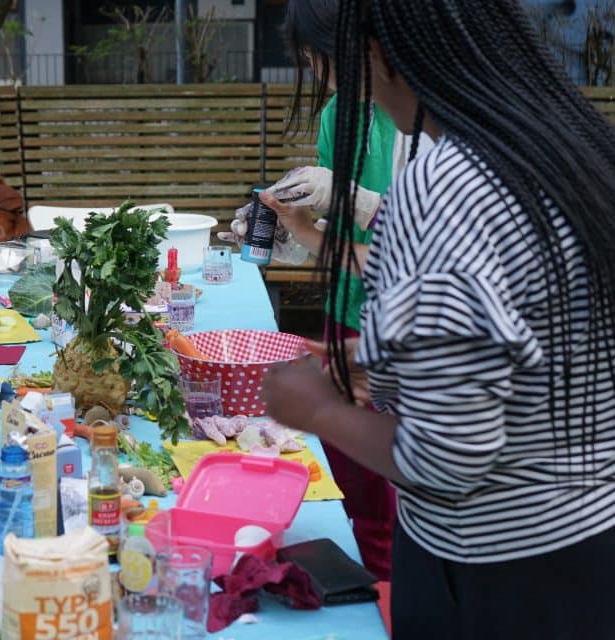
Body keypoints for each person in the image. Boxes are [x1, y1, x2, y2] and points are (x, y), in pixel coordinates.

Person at [261, 0, 615, 637]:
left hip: (521, 563)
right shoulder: (569, 138)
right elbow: (537, 330)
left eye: (323, 63)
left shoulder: (441, 185)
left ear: (375, 53)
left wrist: (317, 412)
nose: (331, 83)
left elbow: (446, 459)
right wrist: (379, 364)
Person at [221, 0, 431, 582]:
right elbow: (352, 240)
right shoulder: (339, 114)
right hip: (350, 314)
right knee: (348, 475)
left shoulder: (421, 123)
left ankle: (388, 585)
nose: (320, 72)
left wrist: (349, 197)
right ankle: (369, 582)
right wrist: (293, 230)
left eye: (320, 57)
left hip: (401, 328)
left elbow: (420, 251)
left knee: (391, 485)